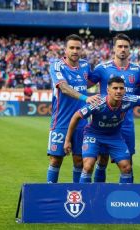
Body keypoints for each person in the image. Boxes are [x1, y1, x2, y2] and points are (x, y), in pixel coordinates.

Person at [63, 77, 140, 183]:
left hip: (114, 136)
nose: (118, 91)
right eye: (115, 88)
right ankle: (84, 196)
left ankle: (124, 198)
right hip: (94, 135)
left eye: (121, 88)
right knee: (87, 166)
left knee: (127, 167)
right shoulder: (98, 103)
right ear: (108, 90)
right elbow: (76, 116)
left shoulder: (128, 100)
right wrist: (67, 140)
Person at [88, 33, 140, 183]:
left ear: (130, 49)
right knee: (102, 160)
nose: (123, 49)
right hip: (104, 123)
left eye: (126, 47)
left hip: (126, 124)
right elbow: (86, 85)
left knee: (128, 163)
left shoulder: (137, 70)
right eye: (119, 46)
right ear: (113, 48)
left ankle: (127, 198)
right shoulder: (102, 68)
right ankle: (98, 194)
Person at [46, 34, 101, 183]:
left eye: (78, 48)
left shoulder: (84, 65)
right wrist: (85, 98)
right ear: (65, 50)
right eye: (71, 48)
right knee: (55, 159)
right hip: (61, 122)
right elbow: (63, 88)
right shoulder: (57, 66)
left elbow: (89, 82)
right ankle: (50, 193)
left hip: (82, 123)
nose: (75, 51)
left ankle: (77, 195)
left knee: (79, 160)